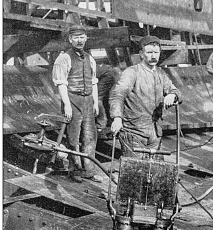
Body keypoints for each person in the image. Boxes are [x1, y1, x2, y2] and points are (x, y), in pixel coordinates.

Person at [109, 35, 181, 157]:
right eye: (149, 52)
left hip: (154, 133)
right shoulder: (132, 72)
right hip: (134, 132)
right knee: (134, 172)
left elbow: (176, 91)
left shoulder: (160, 73)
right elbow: (118, 95)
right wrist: (117, 117)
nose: (153, 56)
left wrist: (172, 95)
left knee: (157, 171)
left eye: (156, 52)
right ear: (141, 54)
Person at [52, 24, 101, 183]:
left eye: (82, 37)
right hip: (73, 100)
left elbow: (93, 82)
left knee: (90, 137)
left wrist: (94, 102)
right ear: (70, 39)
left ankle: (89, 171)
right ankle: (75, 171)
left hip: (87, 101)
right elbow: (61, 83)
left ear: (86, 38)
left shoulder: (89, 58)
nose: (79, 40)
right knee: (73, 138)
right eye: (76, 38)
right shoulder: (64, 58)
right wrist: (66, 104)